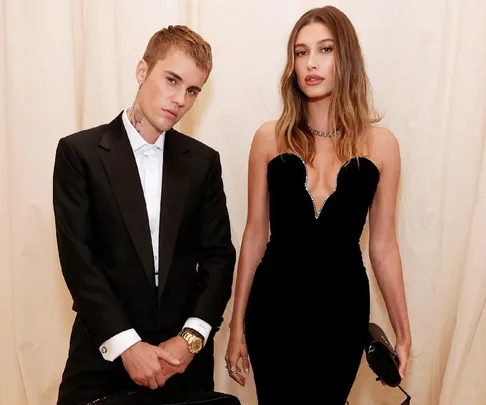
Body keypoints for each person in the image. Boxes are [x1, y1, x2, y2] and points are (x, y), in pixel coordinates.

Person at [225, 6, 412, 404]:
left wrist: (404, 330)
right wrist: (236, 325)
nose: (310, 62)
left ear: (346, 58)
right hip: (273, 309)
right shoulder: (267, 139)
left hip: (342, 312)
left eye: (325, 49)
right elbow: (255, 234)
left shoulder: (382, 146)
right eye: (300, 51)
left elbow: (383, 247)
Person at [53, 25, 236, 405]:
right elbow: (78, 262)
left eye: (191, 91)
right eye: (171, 80)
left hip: (182, 366)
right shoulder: (79, 154)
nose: (179, 100)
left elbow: (219, 258)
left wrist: (190, 340)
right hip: (103, 361)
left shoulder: (203, 162)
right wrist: (128, 346)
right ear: (142, 71)